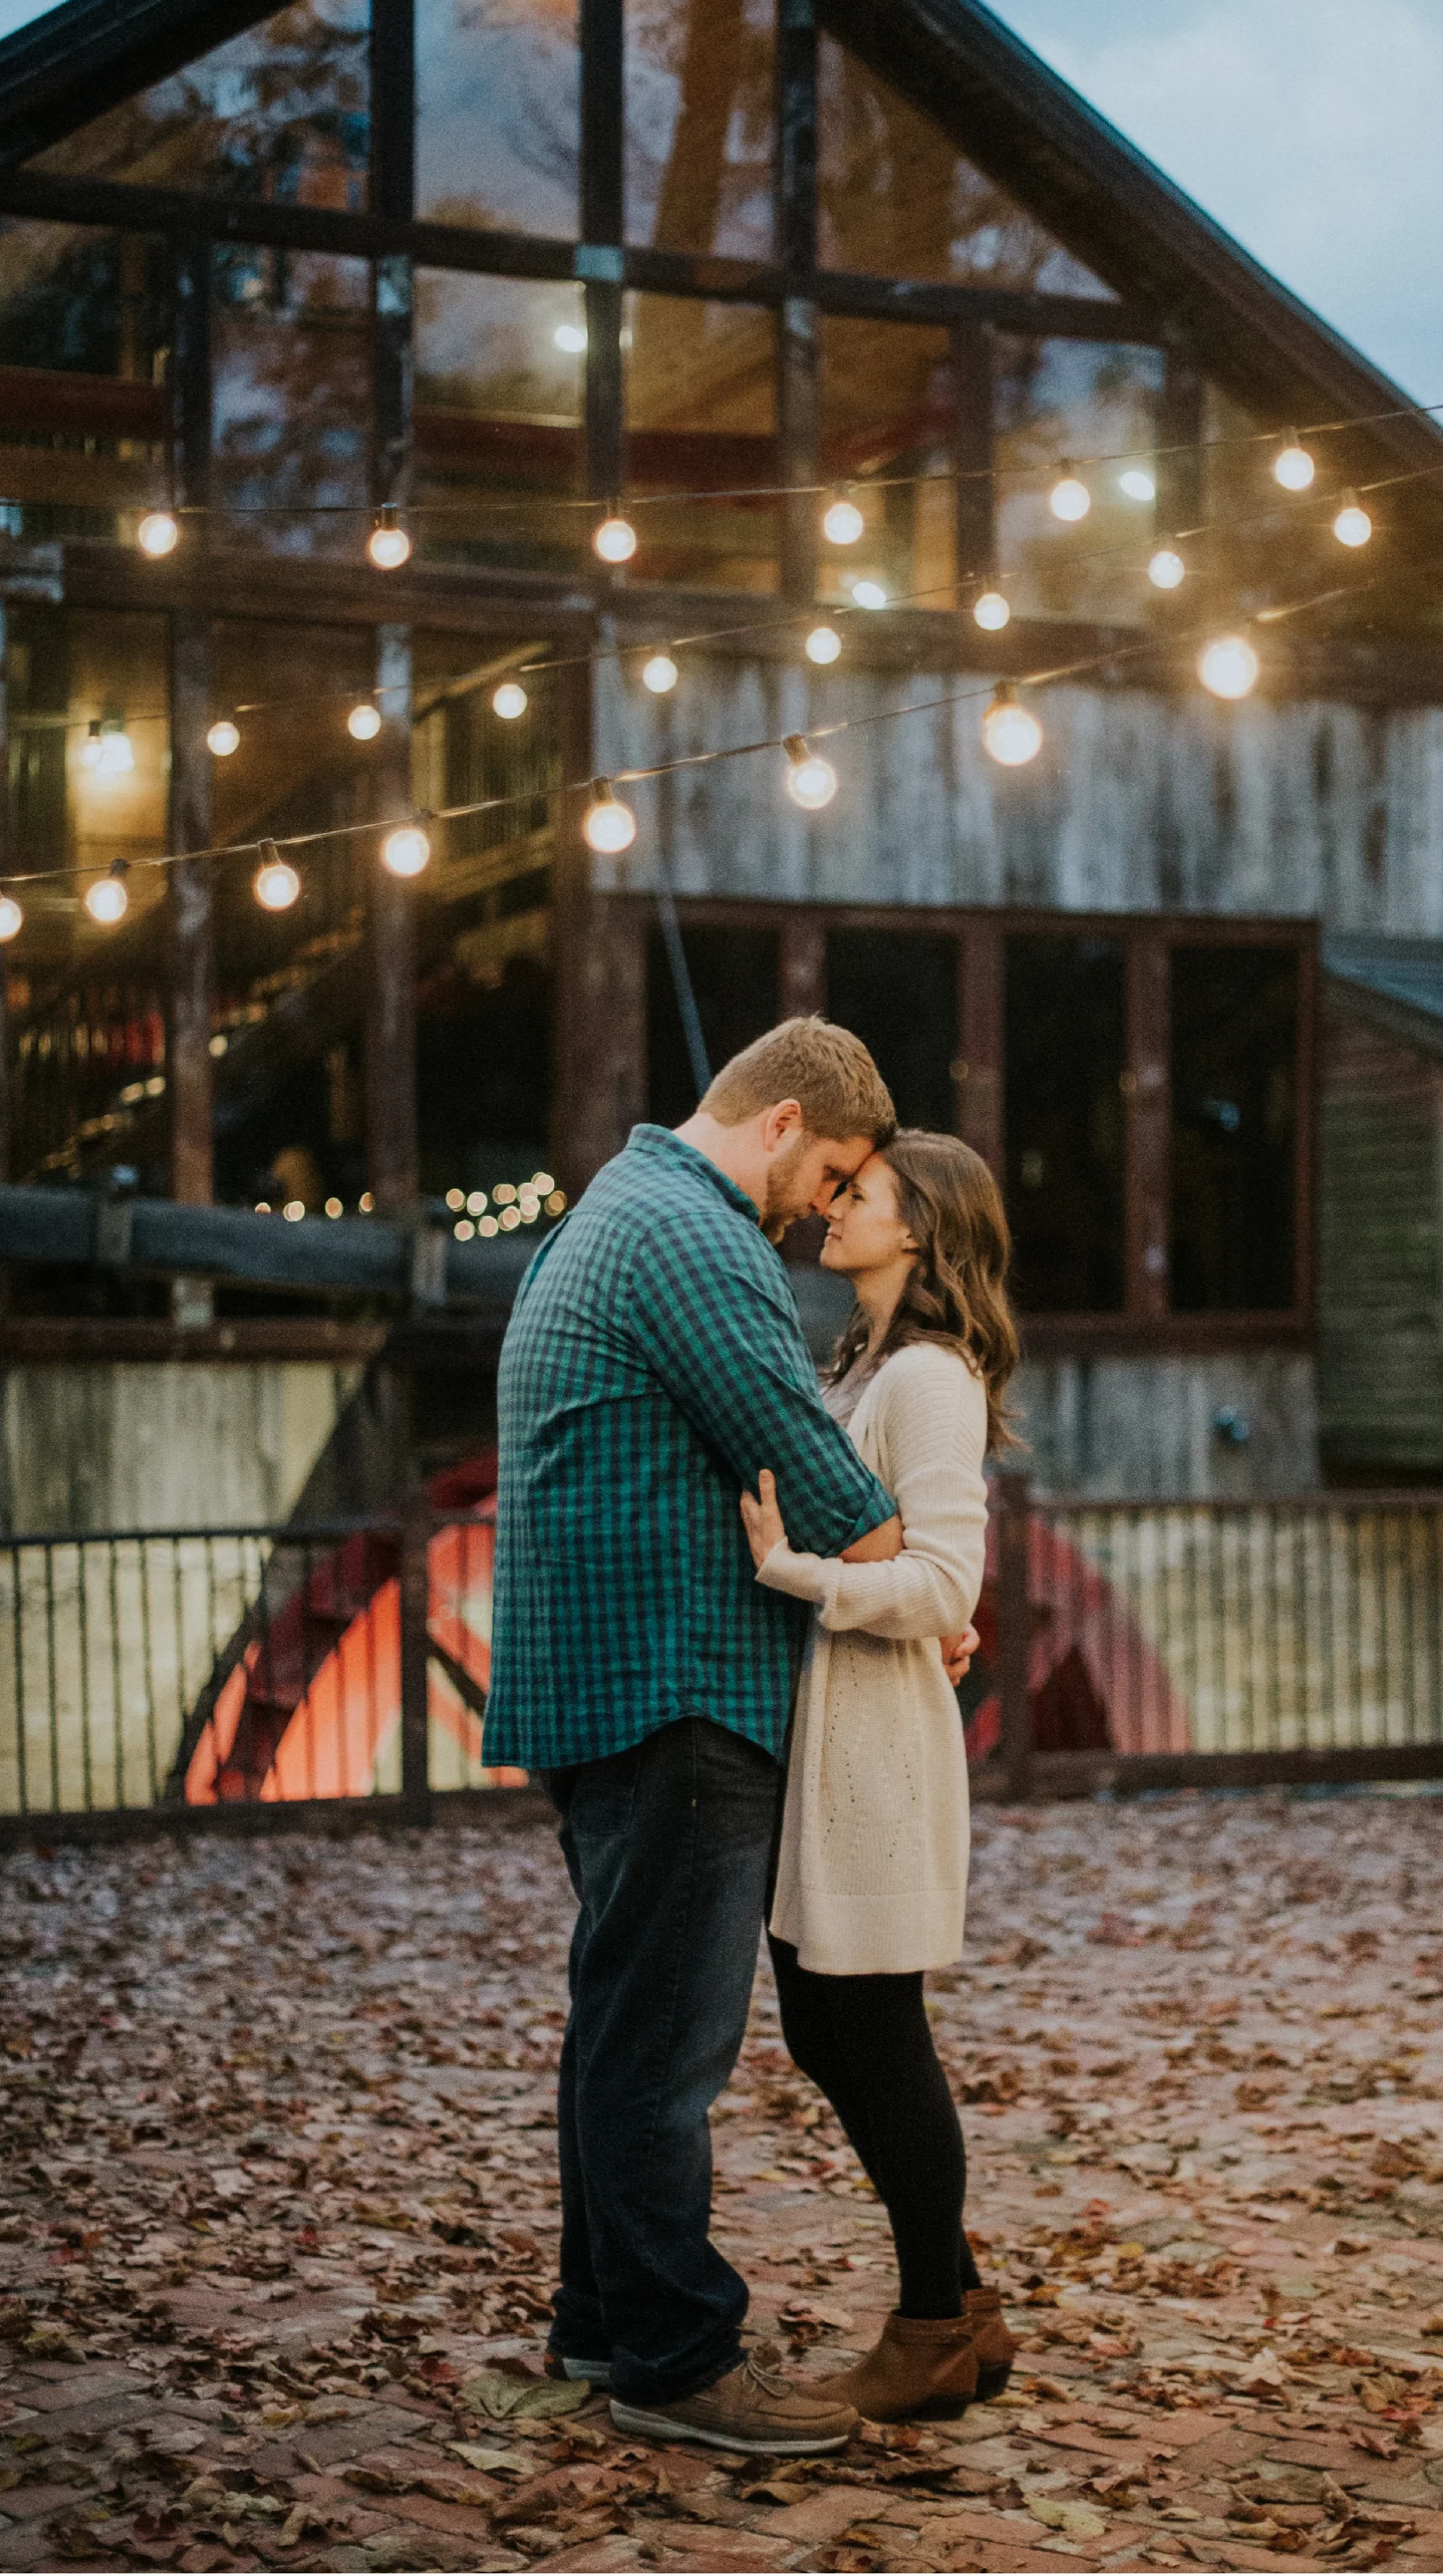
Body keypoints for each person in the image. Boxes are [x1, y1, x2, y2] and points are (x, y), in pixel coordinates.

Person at [484, 1019, 906, 2457]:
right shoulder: (693, 1234)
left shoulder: (614, 1209)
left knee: (618, 2024)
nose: (824, 1208)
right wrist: (895, 1545)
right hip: (678, 1691)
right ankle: (677, 2357)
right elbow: (825, 1479)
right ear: (782, 1122)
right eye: (833, 1170)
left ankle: (602, 2322)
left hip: (604, 1691)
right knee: (665, 2044)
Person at [739, 1130, 1021, 2423]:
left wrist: (794, 1573)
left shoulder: (928, 1376)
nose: (834, 1204)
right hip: (839, 1730)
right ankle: (963, 2298)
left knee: (871, 2027)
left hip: (877, 1743)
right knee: (826, 2020)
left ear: (921, 1229)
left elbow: (946, 1585)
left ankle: (926, 2328)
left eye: (863, 1193)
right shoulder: (862, 1358)